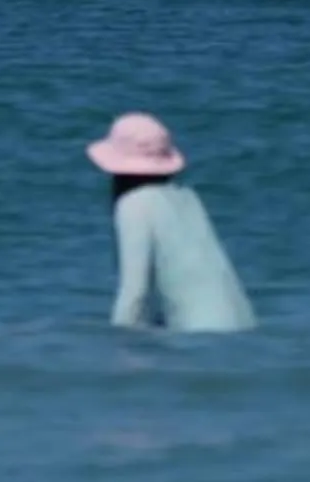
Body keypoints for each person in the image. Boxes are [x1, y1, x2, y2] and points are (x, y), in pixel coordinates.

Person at [89, 113, 256, 333]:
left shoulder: (134, 203)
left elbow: (134, 294)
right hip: (243, 325)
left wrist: (118, 349)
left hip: (202, 337)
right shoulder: (188, 198)